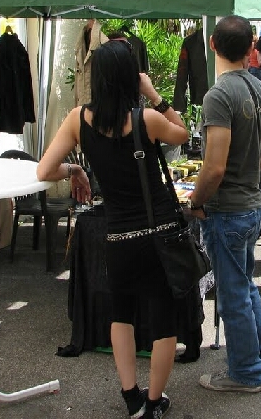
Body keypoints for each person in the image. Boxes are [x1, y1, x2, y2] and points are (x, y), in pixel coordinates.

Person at [37, 39, 187, 419]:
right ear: (129, 77)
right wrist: (153, 93)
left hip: (117, 236)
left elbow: (43, 171)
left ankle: (132, 398)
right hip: (158, 235)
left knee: (121, 316)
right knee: (163, 321)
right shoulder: (147, 120)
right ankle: (154, 403)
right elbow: (182, 133)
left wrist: (75, 169)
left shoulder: (77, 120)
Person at [187, 15, 261, 393]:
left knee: (232, 294)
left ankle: (245, 372)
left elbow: (215, 166)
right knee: (245, 285)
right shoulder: (259, 88)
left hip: (229, 209)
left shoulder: (219, 95)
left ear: (212, 45)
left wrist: (195, 200)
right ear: (251, 48)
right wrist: (247, 180)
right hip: (251, 203)